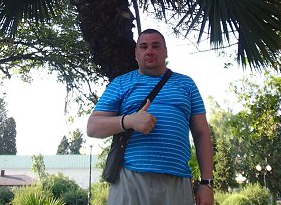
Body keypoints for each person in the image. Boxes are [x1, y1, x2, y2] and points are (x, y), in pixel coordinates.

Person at [87, 28, 214, 205]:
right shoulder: (121, 83)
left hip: (177, 181)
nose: (149, 51)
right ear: (136, 53)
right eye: (143, 46)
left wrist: (207, 184)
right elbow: (92, 127)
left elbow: (202, 134)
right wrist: (129, 120)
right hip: (129, 180)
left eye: (156, 46)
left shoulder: (187, 84)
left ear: (165, 51)